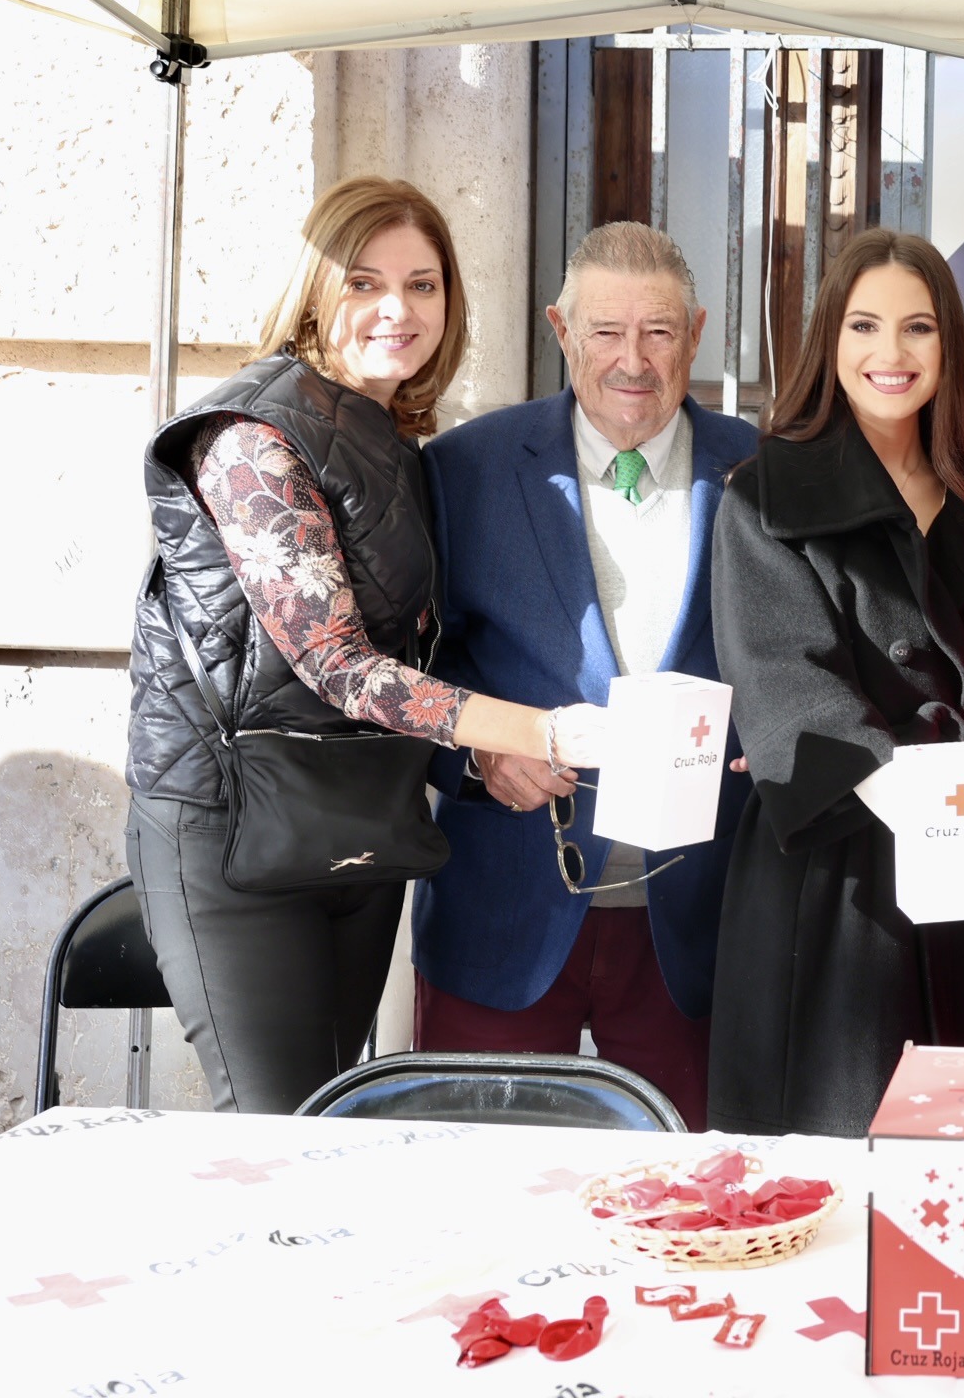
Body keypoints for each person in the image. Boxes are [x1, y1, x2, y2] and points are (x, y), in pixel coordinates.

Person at [125, 176, 611, 1115]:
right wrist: (542, 732)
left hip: (354, 822)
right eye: (364, 282)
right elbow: (337, 663)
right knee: (273, 1136)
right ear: (315, 289)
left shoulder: (393, 439)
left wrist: (474, 756)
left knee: (329, 1124)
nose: (398, 308)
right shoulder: (248, 435)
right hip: (228, 828)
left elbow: (418, 654)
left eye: (424, 285)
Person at [412, 221, 757, 1132]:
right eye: (605, 333)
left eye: (658, 332)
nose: (632, 361)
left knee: (695, 1198)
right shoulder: (463, 471)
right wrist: (480, 760)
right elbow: (413, 667)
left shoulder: (766, 474)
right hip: (507, 905)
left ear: (698, 331)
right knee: (473, 1194)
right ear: (562, 331)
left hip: (695, 924)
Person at [708, 229, 964, 1136]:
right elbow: (783, 683)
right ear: (829, 343)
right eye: (864, 327)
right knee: (839, 1129)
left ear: (949, 346)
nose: (891, 354)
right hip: (840, 861)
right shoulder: (765, 495)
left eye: (918, 328)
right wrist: (926, 796)